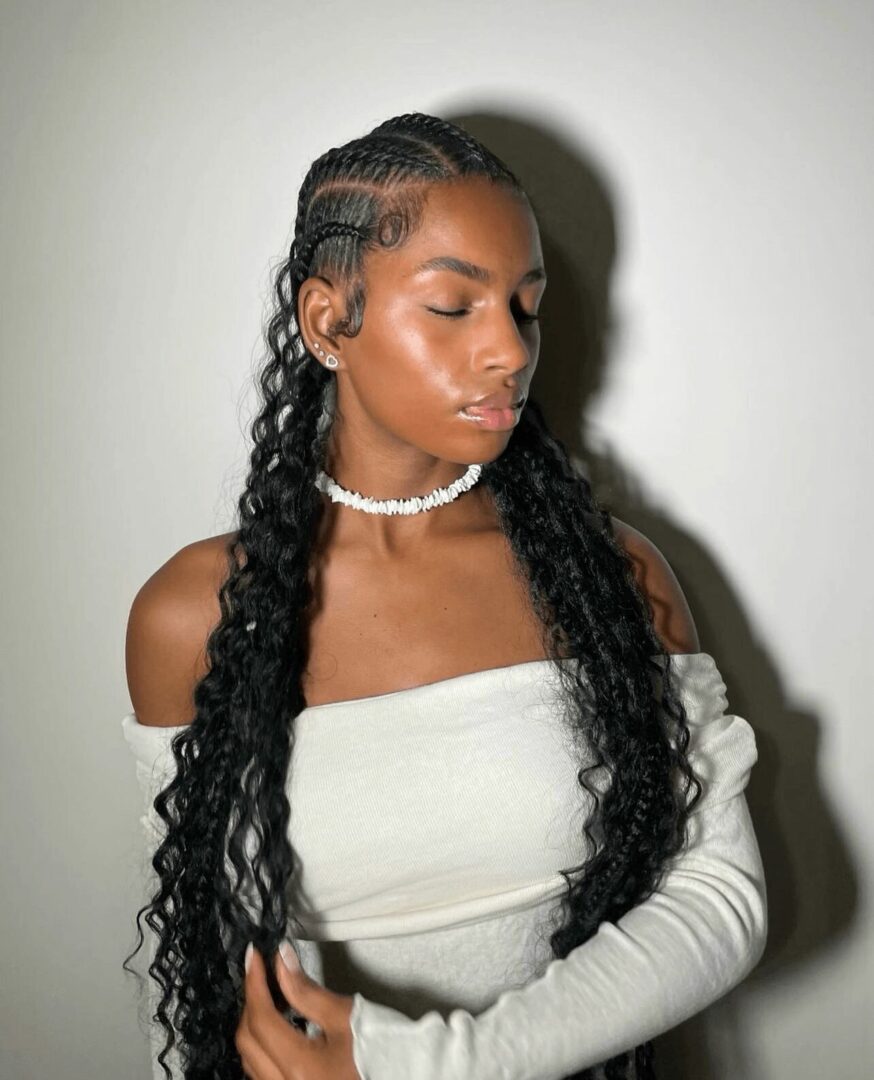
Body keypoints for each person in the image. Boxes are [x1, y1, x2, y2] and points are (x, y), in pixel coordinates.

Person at [121, 112, 767, 1080]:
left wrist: (431, 1063)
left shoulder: (612, 580)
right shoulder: (196, 616)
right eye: (454, 306)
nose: (508, 349)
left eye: (524, 307)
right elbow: (205, 968)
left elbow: (720, 897)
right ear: (327, 322)